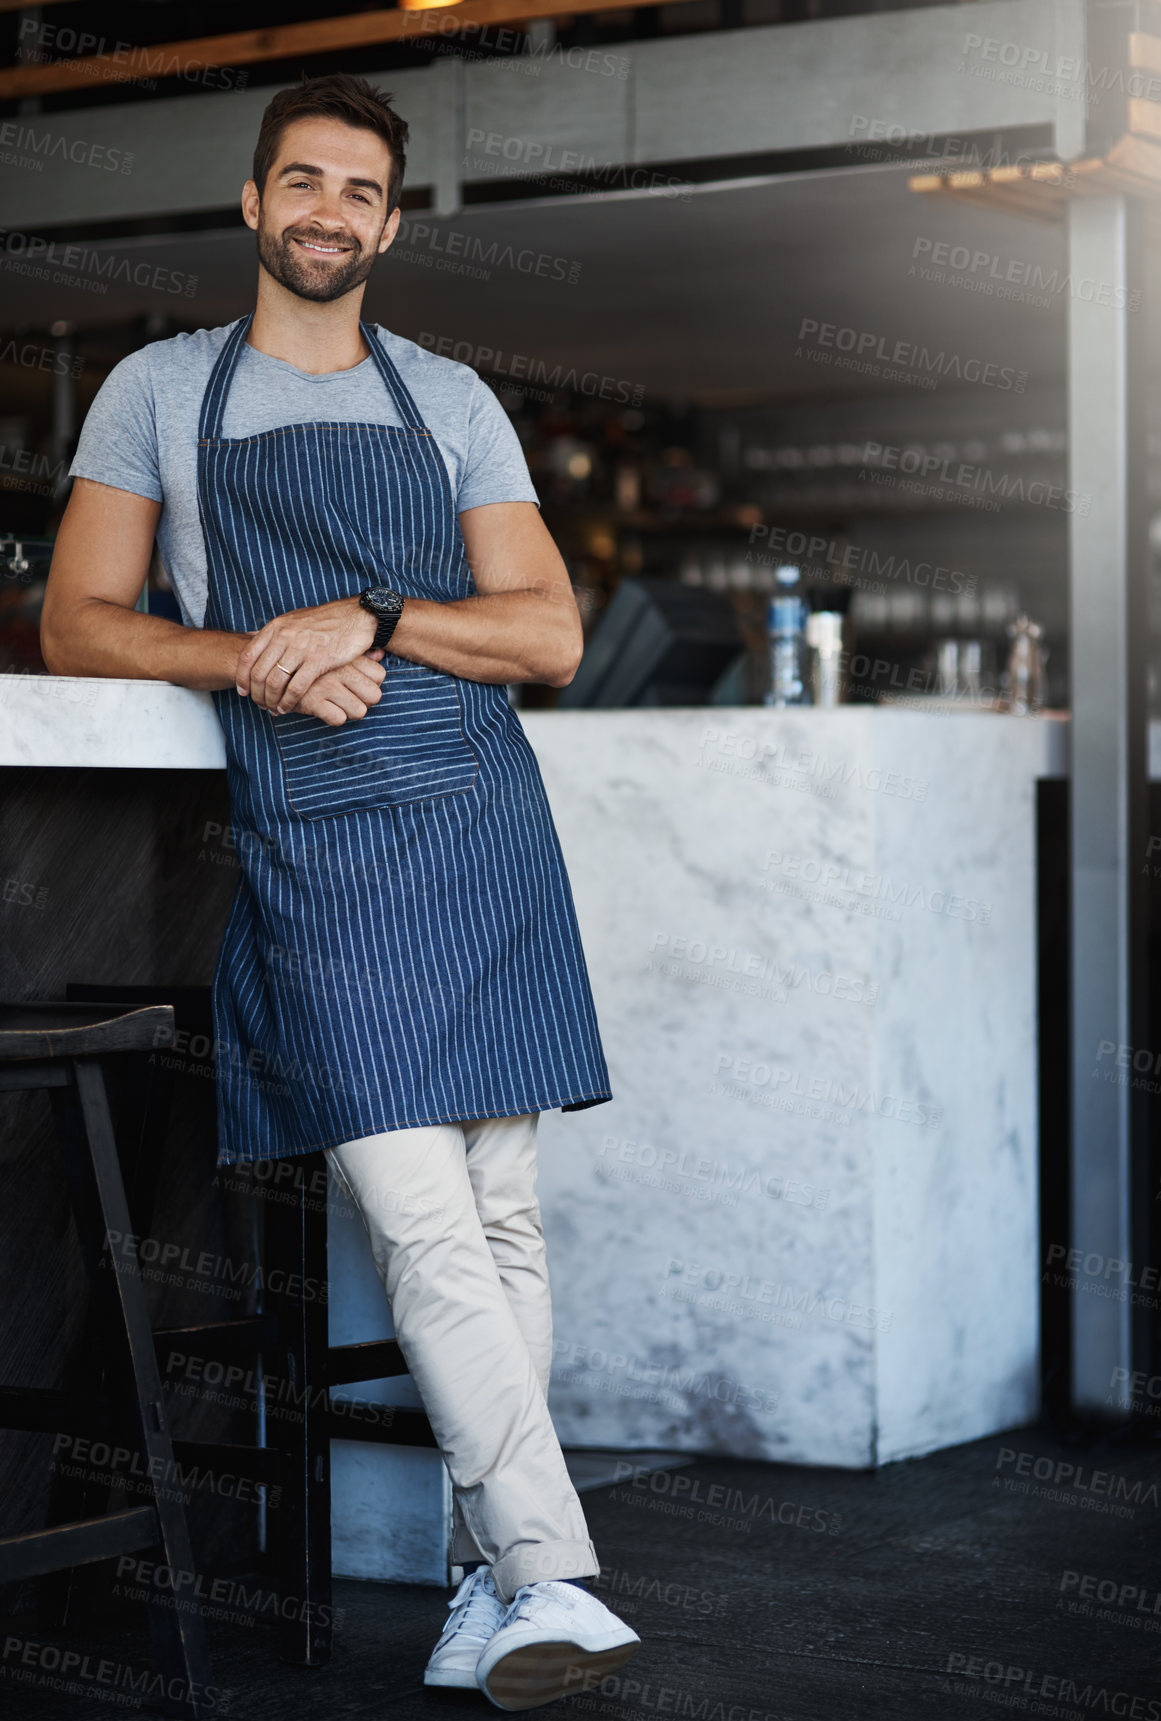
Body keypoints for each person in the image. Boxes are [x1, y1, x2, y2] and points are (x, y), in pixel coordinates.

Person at [40, 70, 640, 1713]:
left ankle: (481, 1590)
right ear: (253, 205)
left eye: (358, 191)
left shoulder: (446, 396)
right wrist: (249, 652)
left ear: (389, 221)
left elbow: (547, 635)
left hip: (472, 814)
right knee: (421, 1207)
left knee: (501, 1214)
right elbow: (77, 621)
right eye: (298, 182)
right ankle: (555, 1573)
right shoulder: (162, 388)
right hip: (309, 830)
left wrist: (378, 606)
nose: (326, 212)